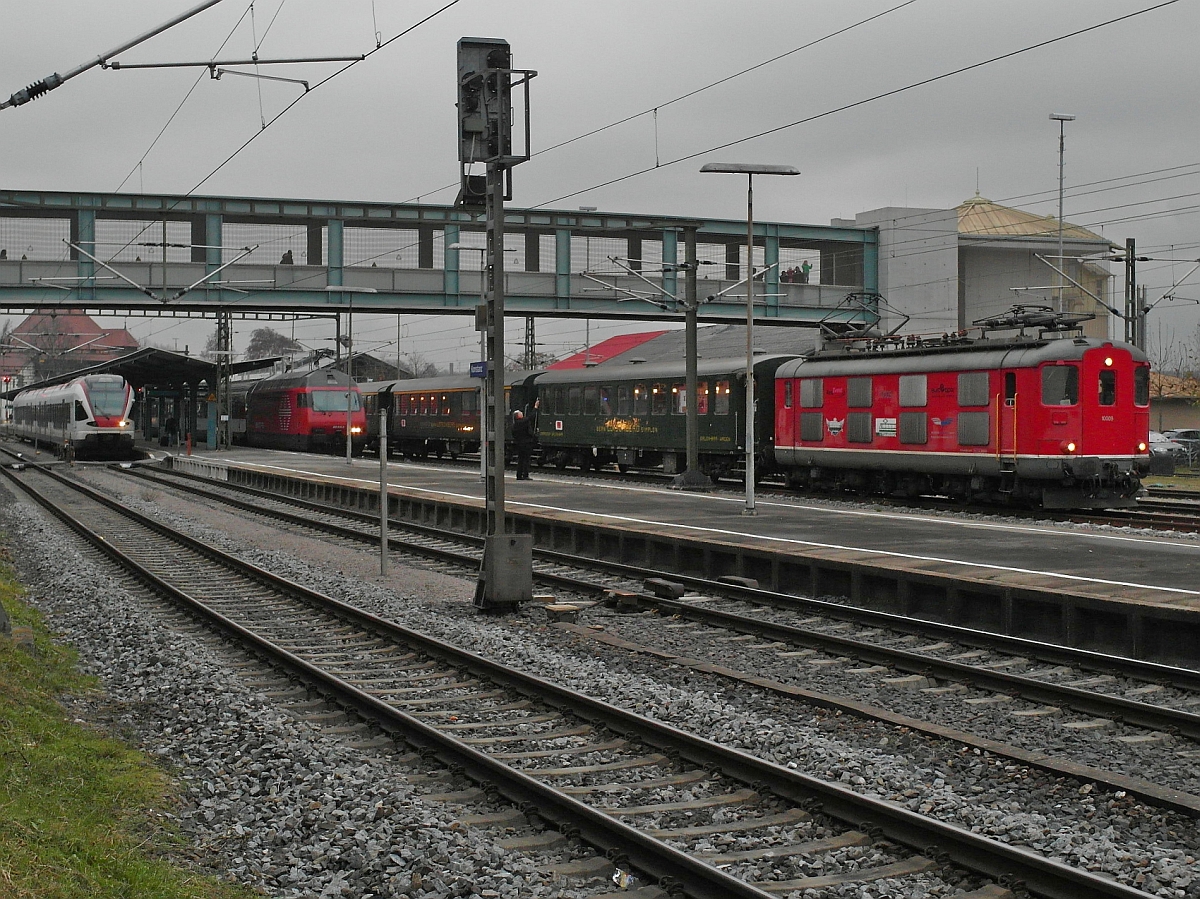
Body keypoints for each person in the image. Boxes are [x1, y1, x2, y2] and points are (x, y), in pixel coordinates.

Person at [512, 408, 535, 480]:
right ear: (518, 416)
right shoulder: (522, 422)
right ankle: (525, 475)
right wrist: (535, 407)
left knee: (520, 460)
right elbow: (531, 417)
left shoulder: (515, 425)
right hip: (526, 443)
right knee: (526, 460)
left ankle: (519, 475)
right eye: (521, 413)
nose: (522, 414)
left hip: (519, 443)